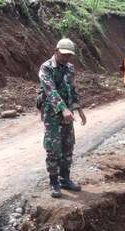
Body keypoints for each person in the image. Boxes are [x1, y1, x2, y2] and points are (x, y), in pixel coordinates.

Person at [38, 38, 87, 198]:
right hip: (52, 114)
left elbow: (72, 89)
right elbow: (50, 91)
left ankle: (64, 178)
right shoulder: (46, 68)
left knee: (68, 145)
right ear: (56, 50)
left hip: (68, 115)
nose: (66, 58)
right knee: (53, 148)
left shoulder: (69, 68)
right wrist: (63, 109)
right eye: (64, 54)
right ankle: (54, 182)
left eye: (69, 55)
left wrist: (78, 108)